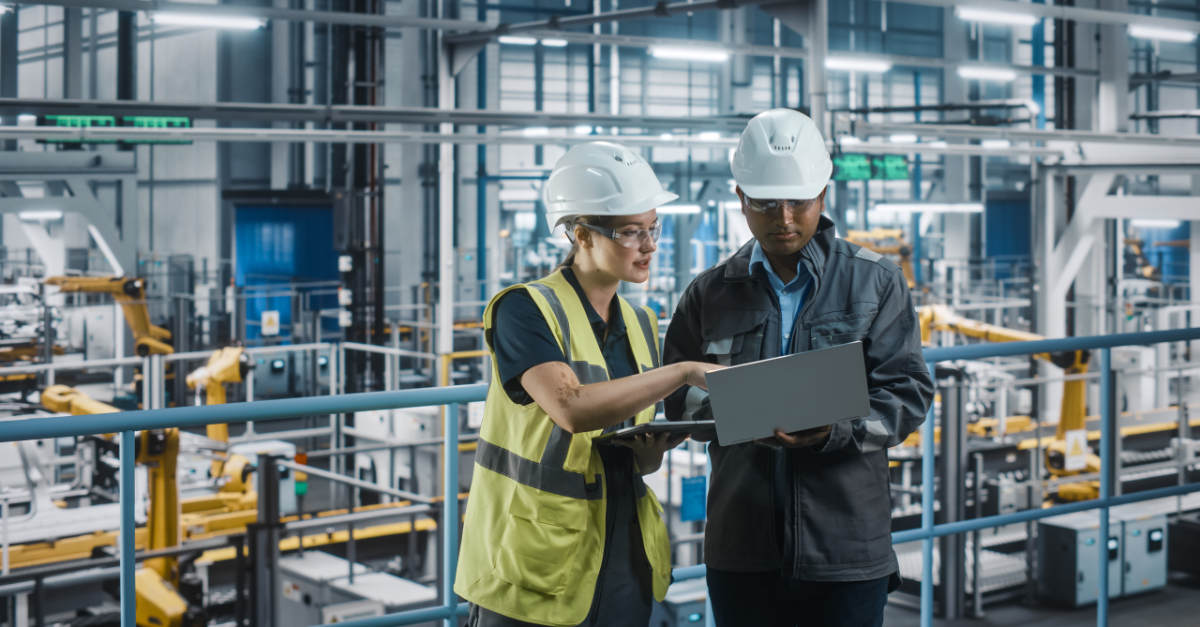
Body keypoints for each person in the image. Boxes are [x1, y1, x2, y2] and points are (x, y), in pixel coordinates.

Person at [663, 109, 935, 627]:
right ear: (740, 198)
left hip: (846, 546)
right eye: (766, 204)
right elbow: (680, 400)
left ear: (823, 197)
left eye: (799, 202)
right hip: (742, 546)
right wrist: (741, 414)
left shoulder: (874, 282)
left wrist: (834, 430)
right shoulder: (709, 293)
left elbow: (906, 394)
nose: (784, 218)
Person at [456, 141, 717, 627]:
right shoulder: (525, 309)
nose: (650, 245)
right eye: (631, 232)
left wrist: (649, 451)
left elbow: (629, 443)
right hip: (534, 559)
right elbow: (571, 408)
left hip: (623, 555)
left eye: (653, 228)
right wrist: (685, 371)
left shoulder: (641, 322)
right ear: (582, 235)